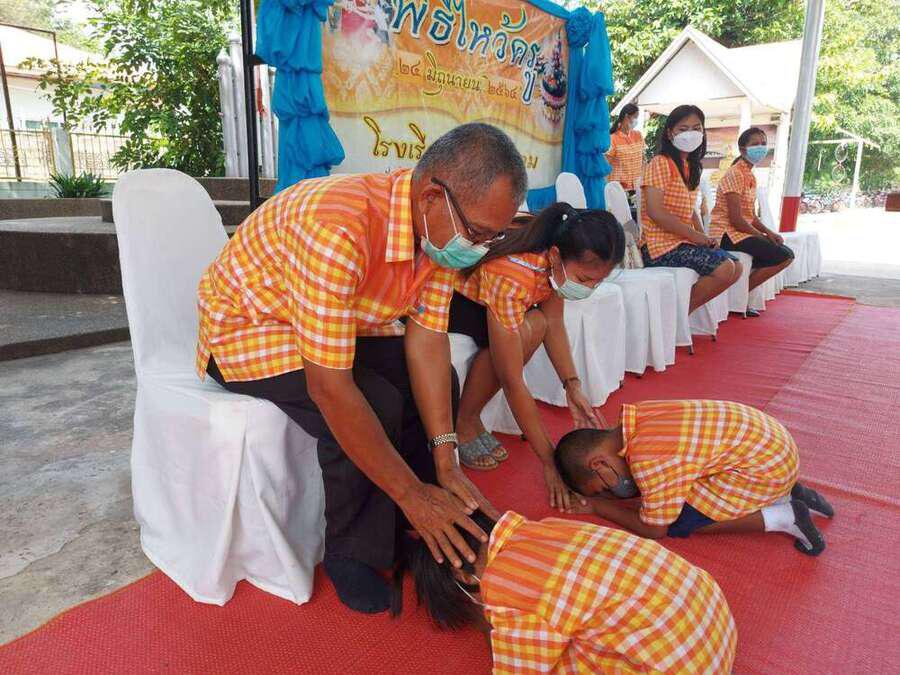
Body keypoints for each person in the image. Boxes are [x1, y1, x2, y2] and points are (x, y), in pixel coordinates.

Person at [195, 123, 526, 614]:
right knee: (373, 401)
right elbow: (330, 389)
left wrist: (444, 458)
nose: (478, 249)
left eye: (492, 238)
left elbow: (427, 341)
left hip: (331, 323)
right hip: (248, 329)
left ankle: (424, 519)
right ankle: (353, 552)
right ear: (432, 195)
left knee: (441, 379)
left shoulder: (438, 228)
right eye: (477, 234)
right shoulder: (337, 226)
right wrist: (411, 493)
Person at [393, 510, 737, 674]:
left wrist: (493, 625)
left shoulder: (505, 584)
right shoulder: (542, 528)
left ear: (461, 575)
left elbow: (518, 669)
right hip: (713, 623)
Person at [447, 204, 625, 512]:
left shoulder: (558, 251)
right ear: (555, 256)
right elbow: (512, 380)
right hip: (456, 302)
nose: (589, 289)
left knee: (539, 324)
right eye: (584, 279)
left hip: (494, 299)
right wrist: (549, 461)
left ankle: (469, 416)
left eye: (597, 282)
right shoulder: (513, 272)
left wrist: (572, 386)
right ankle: (463, 421)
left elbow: (553, 322)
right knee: (519, 339)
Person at [554, 399, 834, 556]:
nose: (612, 494)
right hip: (776, 448)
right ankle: (790, 491)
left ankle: (784, 516)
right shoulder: (638, 416)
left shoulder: (647, 459)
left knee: (680, 521)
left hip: (765, 472)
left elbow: (654, 529)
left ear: (599, 463)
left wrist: (597, 507)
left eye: (602, 489)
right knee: (681, 492)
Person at [640, 104, 742, 313]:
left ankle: (678, 314)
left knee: (737, 267)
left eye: (696, 128)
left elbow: (691, 210)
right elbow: (655, 212)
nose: (691, 134)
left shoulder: (690, 166)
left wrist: (704, 237)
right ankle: (674, 318)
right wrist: (696, 237)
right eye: (683, 128)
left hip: (682, 242)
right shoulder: (660, 162)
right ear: (670, 133)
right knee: (725, 269)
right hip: (659, 247)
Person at [710, 127, 795, 311]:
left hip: (741, 232)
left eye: (763, 143)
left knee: (783, 253)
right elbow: (736, 219)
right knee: (784, 255)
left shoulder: (750, 175)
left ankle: (738, 296)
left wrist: (769, 233)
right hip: (727, 234)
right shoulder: (735, 173)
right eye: (755, 144)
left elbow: (751, 216)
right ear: (742, 149)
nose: (761, 148)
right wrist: (760, 236)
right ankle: (738, 297)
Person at [606, 102, 644, 217]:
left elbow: (642, 160)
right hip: (619, 189)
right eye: (635, 117)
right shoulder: (612, 139)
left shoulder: (638, 135)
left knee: (636, 220)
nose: (636, 121)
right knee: (622, 220)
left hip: (637, 189)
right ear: (627, 117)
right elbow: (606, 164)